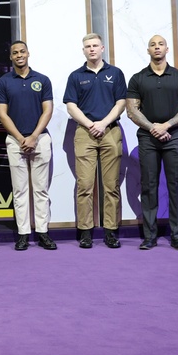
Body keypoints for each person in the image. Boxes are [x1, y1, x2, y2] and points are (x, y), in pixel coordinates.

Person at [126, 35, 178, 251]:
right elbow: (132, 110)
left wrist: (166, 126)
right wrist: (153, 128)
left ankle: (176, 235)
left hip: (174, 137)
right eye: (153, 45)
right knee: (149, 185)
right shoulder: (138, 78)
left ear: (167, 49)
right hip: (147, 138)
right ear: (148, 50)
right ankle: (149, 236)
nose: (157, 47)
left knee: (175, 185)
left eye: (160, 44)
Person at [63, 33, 127, 249]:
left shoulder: (115, 73)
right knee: (85, 185)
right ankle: (86, 232)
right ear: (83, 50)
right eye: (87, 46)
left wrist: (103, 123)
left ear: (102, 48)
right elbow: (71, 106)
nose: (91, 49)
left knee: (111, 186)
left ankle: (110, 231)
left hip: (110, 131)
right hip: (84, 132)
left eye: (95, 46)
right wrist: (90, 124)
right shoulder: (75, 76)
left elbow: (121, 102)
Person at [0, 41, 56, 251]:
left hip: (40, 139)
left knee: (41, 190)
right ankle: (23, 234)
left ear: (28, 53)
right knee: (20, 190)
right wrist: (21, 137)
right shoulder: (4, 82)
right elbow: (2, 114)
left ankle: (42, 232)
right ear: (11, 57)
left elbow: (47, 110)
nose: (19, 55)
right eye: (15, 53)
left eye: (22, 51)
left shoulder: (42, 79)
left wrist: (33, 136)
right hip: (15, 141)